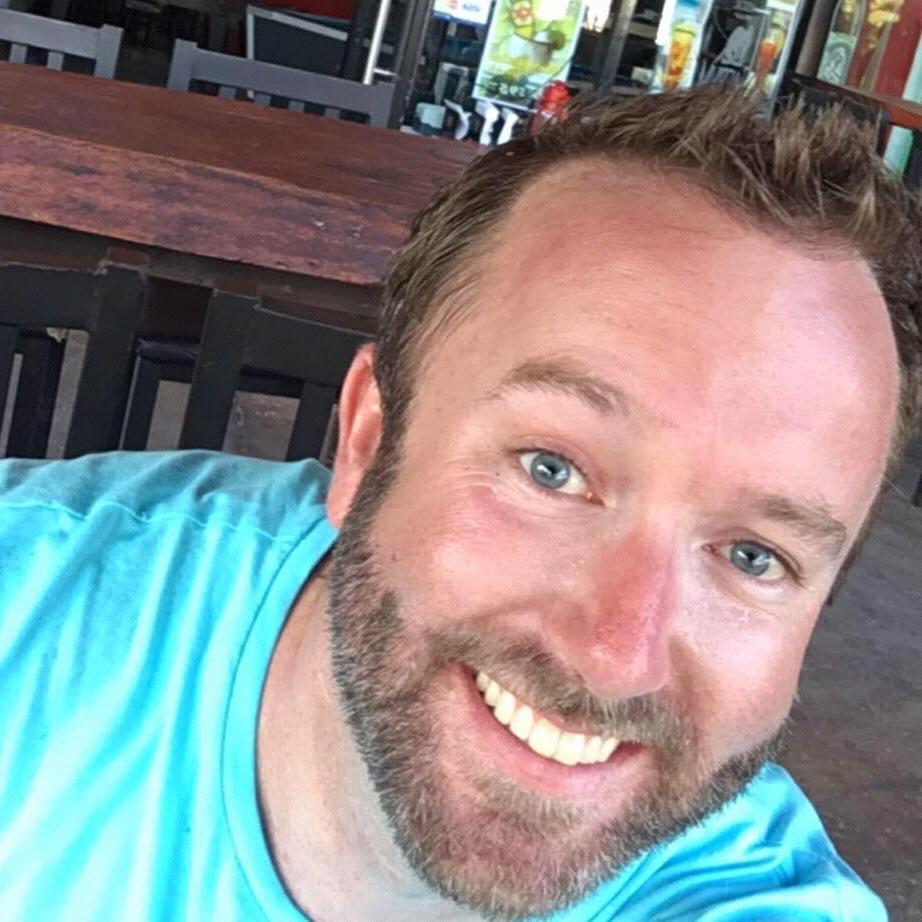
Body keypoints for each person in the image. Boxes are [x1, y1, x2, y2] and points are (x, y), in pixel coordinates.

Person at [0, 85, 919, 922]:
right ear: (367, 441)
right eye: (551, 469)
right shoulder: (32, 610)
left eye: (755, 556)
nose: (615, 660)